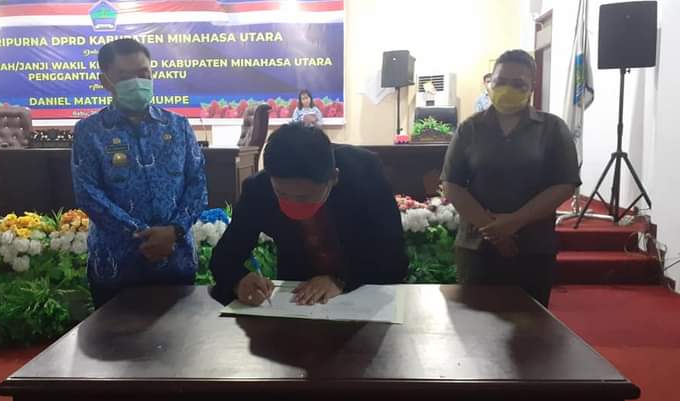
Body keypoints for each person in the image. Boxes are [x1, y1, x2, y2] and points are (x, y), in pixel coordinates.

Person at [71, 38, 208, 307]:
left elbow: (197, 184)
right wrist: (142, 235)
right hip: (116, 266)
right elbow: (88, 193)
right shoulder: (90, 131)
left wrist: (173, 231)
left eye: (144, 74)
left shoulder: (177, 126)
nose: (137, 82)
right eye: (125, 76)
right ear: (105, 81)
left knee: (180, 334)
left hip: (175, 260)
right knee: (114, 335)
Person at [210, 123, 408, 306]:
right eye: (282, 194)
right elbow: (224, 257)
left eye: (304, 197)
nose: (294, 204)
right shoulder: (259, 189)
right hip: (296, 301)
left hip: (362, 298)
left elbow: (394, 257)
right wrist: (239, 281)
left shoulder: (365, 175)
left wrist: (341, 280)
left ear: (334, 178)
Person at [440, 50, 580, 307]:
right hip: (476, 247)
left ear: (532, 88)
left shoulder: (552, 128)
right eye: (501, 81)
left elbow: (564, 184)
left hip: (533, 247)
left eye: (518, 84)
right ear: (489, 82)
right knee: (475, 324)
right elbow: (452, 184)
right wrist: (494, 231)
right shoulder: (469, 128)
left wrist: (514, 222)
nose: (508, 89)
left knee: (530, 325)